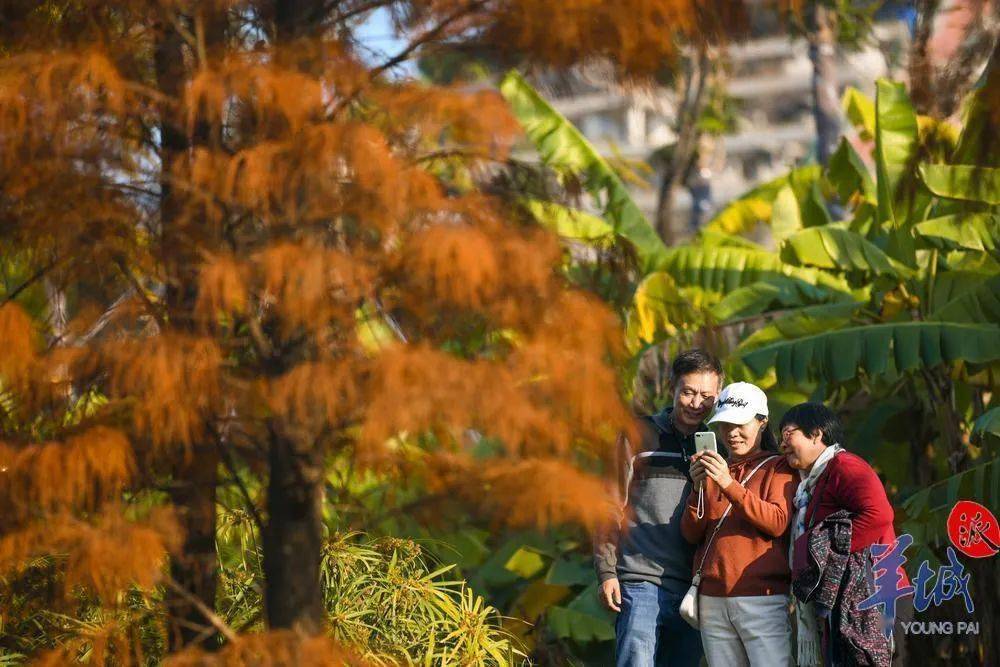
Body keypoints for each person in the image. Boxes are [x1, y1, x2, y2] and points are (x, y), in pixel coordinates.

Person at [594, 349, 723, 666]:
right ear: (672, 388)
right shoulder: (638, 434)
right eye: (688, 392)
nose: (696, 404)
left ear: (718, 395)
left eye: (706, 396)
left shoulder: (720, 446)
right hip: (641, 582)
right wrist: (607, 572)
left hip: (694, 592)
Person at [779, 402, 912, 667]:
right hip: (846, 598)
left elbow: (879, 515)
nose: (782, 444)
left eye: (788, 434)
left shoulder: (846, 466)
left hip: (876, 593)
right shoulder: (812, 482)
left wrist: (828, 555)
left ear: (816, 434)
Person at [680, 382, 796, 667]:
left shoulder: (778, 467)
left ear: (762, 422)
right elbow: (691, 533)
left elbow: (778, 522)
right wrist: (698, 488)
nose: (731, 433)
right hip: (712, 599)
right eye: (724, 424)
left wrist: (727, 484)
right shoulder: (715, 469)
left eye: (740, 423)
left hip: (762, 599)